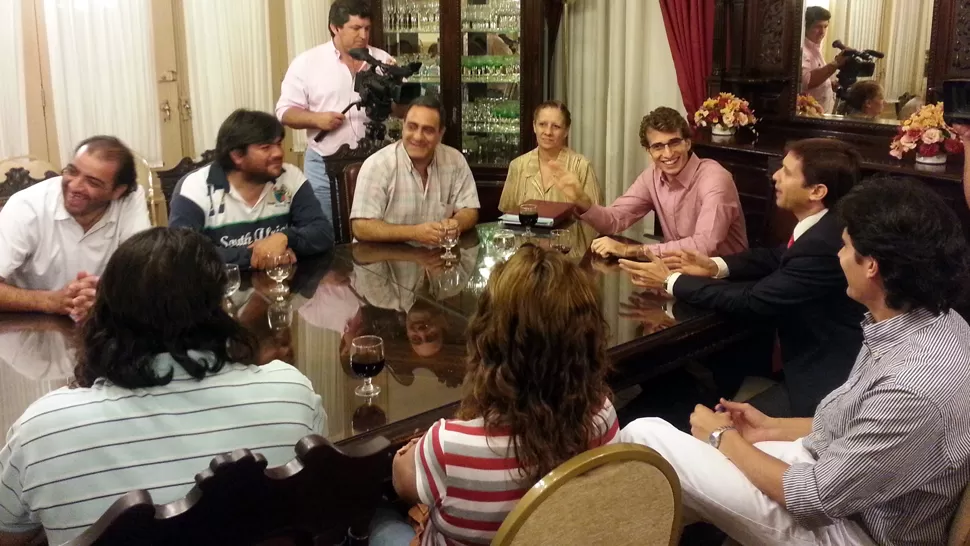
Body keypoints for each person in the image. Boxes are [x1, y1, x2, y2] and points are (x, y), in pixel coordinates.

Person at [621, 177, 970, 546]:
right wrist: (770, 428)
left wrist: (722, 438)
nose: (838, 256)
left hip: (853, 528)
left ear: (872, 266)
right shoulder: (933, 322)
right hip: (837, 481)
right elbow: (856, 427)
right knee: (666, 474)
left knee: (644, 436)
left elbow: (814, 498)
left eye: (846, 247)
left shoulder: (915, 386)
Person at [0, 228, 326, 546]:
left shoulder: (42, 430)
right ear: (219, 305)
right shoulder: (291, 391)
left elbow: (8, 535)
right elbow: (313, 503)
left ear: (105, 312)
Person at [388, 245, 619, 545]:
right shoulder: (604, 416)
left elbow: (400, 481)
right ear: (587, 343)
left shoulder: (448, 447)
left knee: (378, 516)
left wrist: (416, 448)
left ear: (488, 338)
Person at [619, 139, 865, 416]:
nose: (775, 176)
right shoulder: (825, 224)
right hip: (798, 351)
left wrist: (669, 280)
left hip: (823, 382)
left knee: (712, 416)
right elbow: (776, 256)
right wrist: (714, 266)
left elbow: (753, 299)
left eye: (786, 171)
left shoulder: (824, 242)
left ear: (817, 191)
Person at [553, 107, 747, 259]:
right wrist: (582, 201)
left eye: (674, 142)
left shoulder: (715, 178)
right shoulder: (651, 177)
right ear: (649, 152)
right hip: (681, 274)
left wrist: (633, 250)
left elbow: (704, 246)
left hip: (726, 281)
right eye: (658, 146)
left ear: (687, 143)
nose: (668, 154)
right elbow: (613, 221)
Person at [0, 136, 150, 320]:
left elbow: (145, 276)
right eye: (72, 171)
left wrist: (104, 297)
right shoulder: (26, 206)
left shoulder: (130, 199)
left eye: (92, 182)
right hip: (30, 325)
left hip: (105, 323)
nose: (75, 186)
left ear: (117, 191)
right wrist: (49, 301)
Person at [276, 0, 394, 228]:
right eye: (355, 28)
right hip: (324, 165)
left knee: (377, 229)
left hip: (377, 164)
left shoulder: (382, 61)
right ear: (335, 27)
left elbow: (403, 109)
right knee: (327, 232)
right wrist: (316, 119)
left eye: (367, 28)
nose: (363, 35)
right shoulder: (307, 63)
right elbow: (284, 112)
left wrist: (394, 93)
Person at [169, 109, 332, 269]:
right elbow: (184, 253)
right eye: (266, 147)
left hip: (284, 286)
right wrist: (261, 255)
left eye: (278, 144)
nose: (279, 153)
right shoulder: (195, 188)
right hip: (220, 289)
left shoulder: (290, 177)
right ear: (237, 156)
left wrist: (286, 238)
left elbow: (322, 233)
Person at [350, 95, 480, 245]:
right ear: (403, 126)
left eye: (428, 130)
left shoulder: (455, 160)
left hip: (434, 261)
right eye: (412, 127)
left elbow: (469, 209)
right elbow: (361, 227)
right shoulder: (378, 165)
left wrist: (456, 224)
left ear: (441, 134)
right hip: (381, 262)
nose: (418, 137)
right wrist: (414, 233)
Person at [498, 100, 601, 213]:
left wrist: (582, 200)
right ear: (534, 126)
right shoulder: (518, 166)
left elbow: (597, 219)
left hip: (567, 231)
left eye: (556, 126)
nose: (548, 132)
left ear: (566, 131)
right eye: (542, 124)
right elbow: (507, 215)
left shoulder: (582, 167)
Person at [801, 6, 847, 114]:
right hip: (810, 116)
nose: (822, 32)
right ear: (806, 27)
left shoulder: (816, 48)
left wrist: (829, 84)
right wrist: (836, 63)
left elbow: (817, 77)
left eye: (825, 27)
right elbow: (807, 82)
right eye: (818, 27)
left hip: (824, 114)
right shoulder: (802, 50)